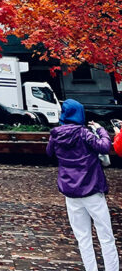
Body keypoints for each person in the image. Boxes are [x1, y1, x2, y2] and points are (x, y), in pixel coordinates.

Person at [47, 99, 119, 271]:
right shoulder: (83, 133)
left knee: (83, 237)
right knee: (106, 236)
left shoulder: (56, 135)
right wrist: (100, 130)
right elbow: (104, 146)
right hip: (92, 189)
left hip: (71, 192)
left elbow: (49, 152)